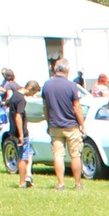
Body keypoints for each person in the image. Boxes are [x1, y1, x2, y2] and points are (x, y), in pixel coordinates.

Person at [41, 59, 85, 191]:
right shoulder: (72, 85)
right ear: (67, 70)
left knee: (58, 155)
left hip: (55, 126)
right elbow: (77, 107)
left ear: (55, 69)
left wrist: (49, 123)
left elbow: (45, 107)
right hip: (71, 125)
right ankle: (77, 183)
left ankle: (60, 183)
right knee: (75, 154)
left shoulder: (47, 85)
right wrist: (82, 125)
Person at [7, 80, 37, 189]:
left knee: (29, 153)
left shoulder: (15, 95)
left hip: (13, 130)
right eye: (33, 93)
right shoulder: (21, 99)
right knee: (23, 157)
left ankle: (28, 176)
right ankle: (22, 182)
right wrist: (21, 135)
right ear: (30, 88)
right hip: (21, 132)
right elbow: (18, 117)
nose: (32, 96)